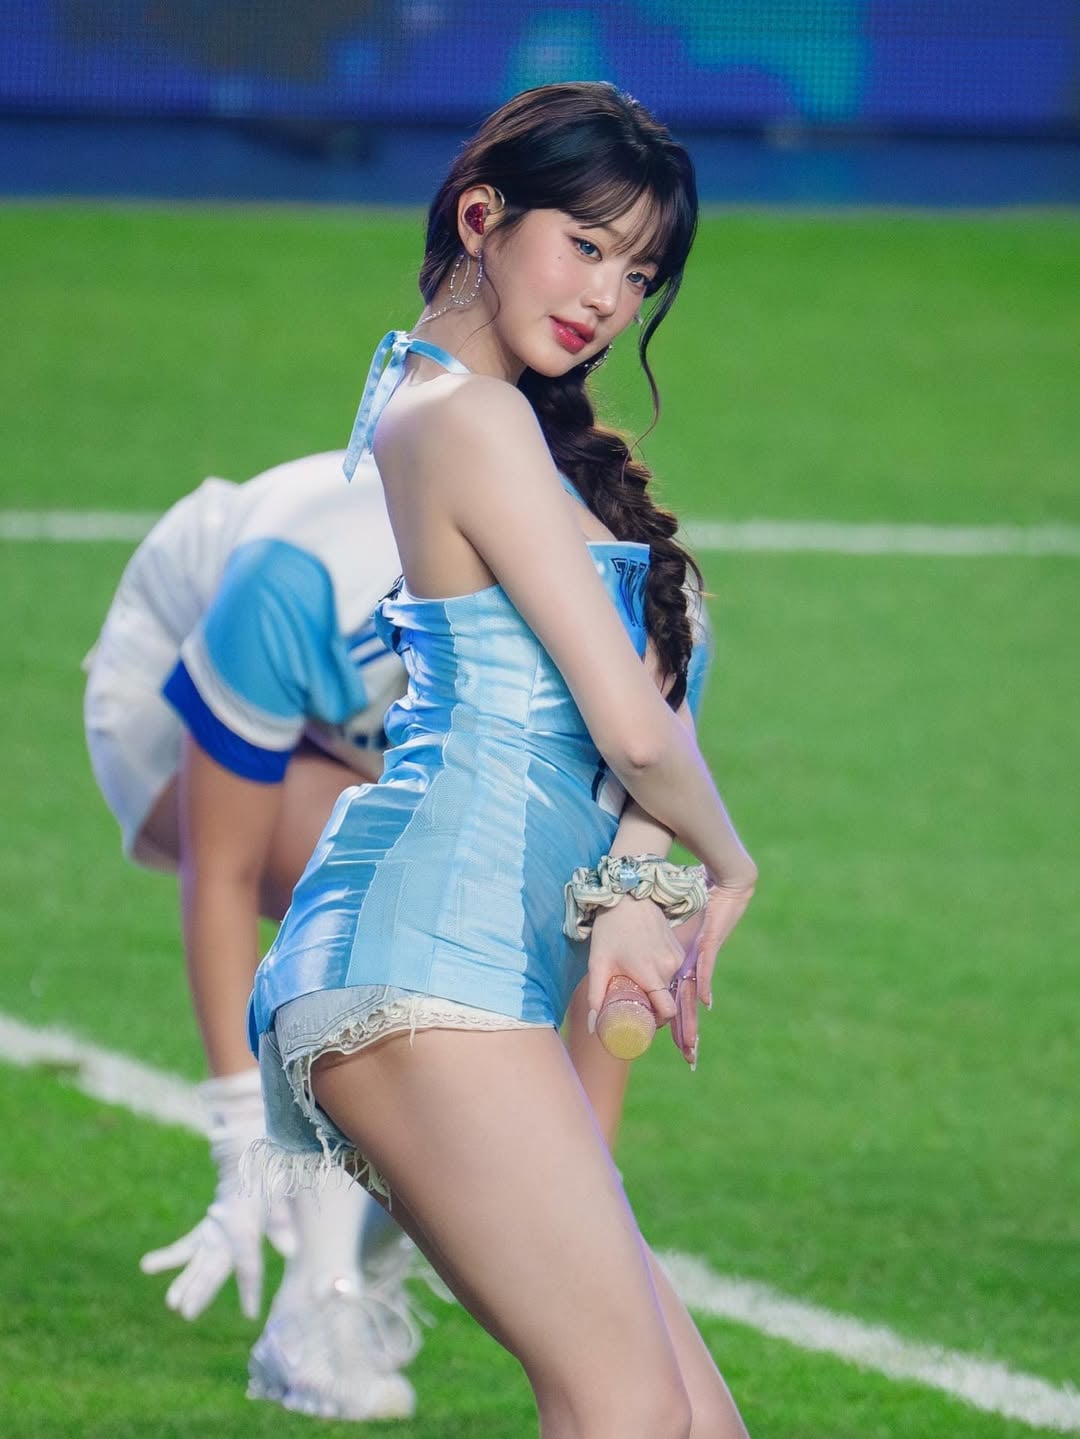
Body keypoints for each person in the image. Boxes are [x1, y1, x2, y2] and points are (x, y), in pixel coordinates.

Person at [247, 81, 758, 1438]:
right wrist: (729, 858)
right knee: (625, 1406)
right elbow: (634, 728)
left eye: (638, 273)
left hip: (472, 966)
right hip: (422, 957)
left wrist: (641, 877)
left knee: (693, 1422)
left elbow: (635, 715)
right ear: (481, 217)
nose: (608, 298)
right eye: (586, 244)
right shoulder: (463, 417)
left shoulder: (505, 427)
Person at [84, 444, 705, 1418]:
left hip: (408, 758)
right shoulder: (297, 577)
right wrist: (240, 1137)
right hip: (169, 705)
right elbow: (224, 867)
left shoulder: (655, 615)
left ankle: (369, 1258)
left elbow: (612, 885)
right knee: (387, 897)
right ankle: (321, 1302)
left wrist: (575, 1188)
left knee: (589, 911)